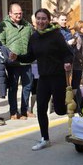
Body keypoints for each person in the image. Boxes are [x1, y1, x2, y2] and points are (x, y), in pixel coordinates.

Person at [9, 8, 73, 151]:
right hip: (43, 77)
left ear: (49, 20)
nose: (41, 21)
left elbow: (68, 53)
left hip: (57, 77)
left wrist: (67, 62)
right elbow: (30, 57)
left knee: (60, 110)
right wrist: (17, 57)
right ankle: (45, 138)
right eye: (38, 18)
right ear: (35, 20)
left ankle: (77, 112)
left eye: (44, 18)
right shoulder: (34, 37)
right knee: (41, 108)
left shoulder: (56, 35)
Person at [0, 3, 35, 120]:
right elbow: (0, 43)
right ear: (10, 13)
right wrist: (8, 55)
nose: (19, 15)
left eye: (20, 13)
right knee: (13, 88)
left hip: (26, 62)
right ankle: (13, 112)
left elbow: (33, 41)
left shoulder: (28, 26)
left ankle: (25, 110)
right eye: (16, 13)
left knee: (27, 87)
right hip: (13, 63)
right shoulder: (4, 25)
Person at [71, 20, 83, 89]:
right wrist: (82, 59)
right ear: (78, 28)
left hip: (79, 62)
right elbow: (76, 51)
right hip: (77, 63)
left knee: (77, 81)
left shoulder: (81, 36)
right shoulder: (78, 37)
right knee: (76, 82)